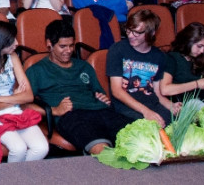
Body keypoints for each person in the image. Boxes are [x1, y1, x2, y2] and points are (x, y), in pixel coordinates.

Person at [25, 20, 133, 154]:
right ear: (49, 44)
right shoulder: (37, 70)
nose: (68, 50)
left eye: (71, 45)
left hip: (101, 111)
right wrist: (54, 110)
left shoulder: (84, 66)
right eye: (63, 46)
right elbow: (23, 105)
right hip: (71, 116)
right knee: (103, 151)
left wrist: (103, 98)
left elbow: (99, 93)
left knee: (139, 138)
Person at [0, 22, 47, 163]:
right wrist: (15, 98)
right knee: (18, 149)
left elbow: (29, 96)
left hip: (15, 111)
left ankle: (19, 179)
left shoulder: (12, 57)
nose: (17, 43)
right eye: (12, 40)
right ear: (0, 42)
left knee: (41, 148)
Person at [106, 9, 178, 127]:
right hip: (126, 108)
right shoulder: (117, 50)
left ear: (151, 33)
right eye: (128, 30)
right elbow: (117, 91)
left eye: (137, 33)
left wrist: (172, 106)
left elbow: (157, 93)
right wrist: (146, 111)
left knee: (179, 126)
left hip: (152, 104)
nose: (130, 35)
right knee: (153, 129)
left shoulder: (159, 56)